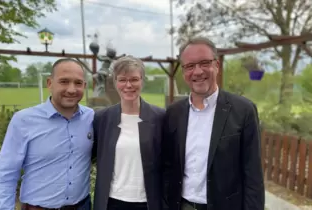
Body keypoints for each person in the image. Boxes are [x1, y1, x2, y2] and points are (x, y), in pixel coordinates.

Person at [162, 37, 265, 210]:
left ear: (216, 65)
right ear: (183, 71)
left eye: (204, 63)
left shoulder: (243, 110)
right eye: (189, 66)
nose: (197, 71)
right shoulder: (173, 113)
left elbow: (253, 174)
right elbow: (167, 167)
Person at [0, 58, 94, 210]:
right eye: (64, 81)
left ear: (84, 85)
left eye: (78, 83)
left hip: (82, 206)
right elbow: (6, 173)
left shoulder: (91, 117)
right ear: (49, 83)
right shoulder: (24, 120)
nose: (71, 89)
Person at [92, 55, 165, 210]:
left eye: (134, 79)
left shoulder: (160, 117)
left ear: (142, 81)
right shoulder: (102, 118)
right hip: (111, 202)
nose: (128, 85)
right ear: (115, 82)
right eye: (122, 79)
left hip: (148, 203)